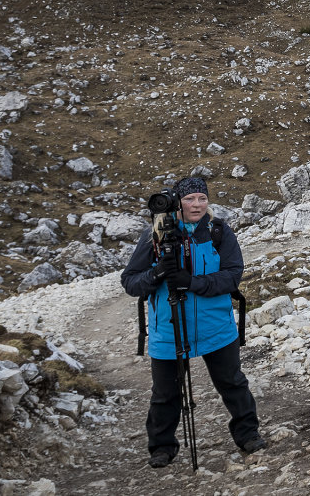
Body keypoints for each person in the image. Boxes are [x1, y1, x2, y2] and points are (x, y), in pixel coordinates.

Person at [120, 176, 264, 467]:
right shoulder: (154, 236)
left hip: (216, 327)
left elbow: (232, 276)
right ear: (177, 201)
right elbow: (131, 282)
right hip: (168, 329)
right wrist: (157, 273)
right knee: (165, 393)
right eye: (189, 199)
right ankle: (162, 447)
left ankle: (248, 435)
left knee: (233, 383)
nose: (196, 204)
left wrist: (192, 282)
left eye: (201, 198)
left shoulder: (219, 231)